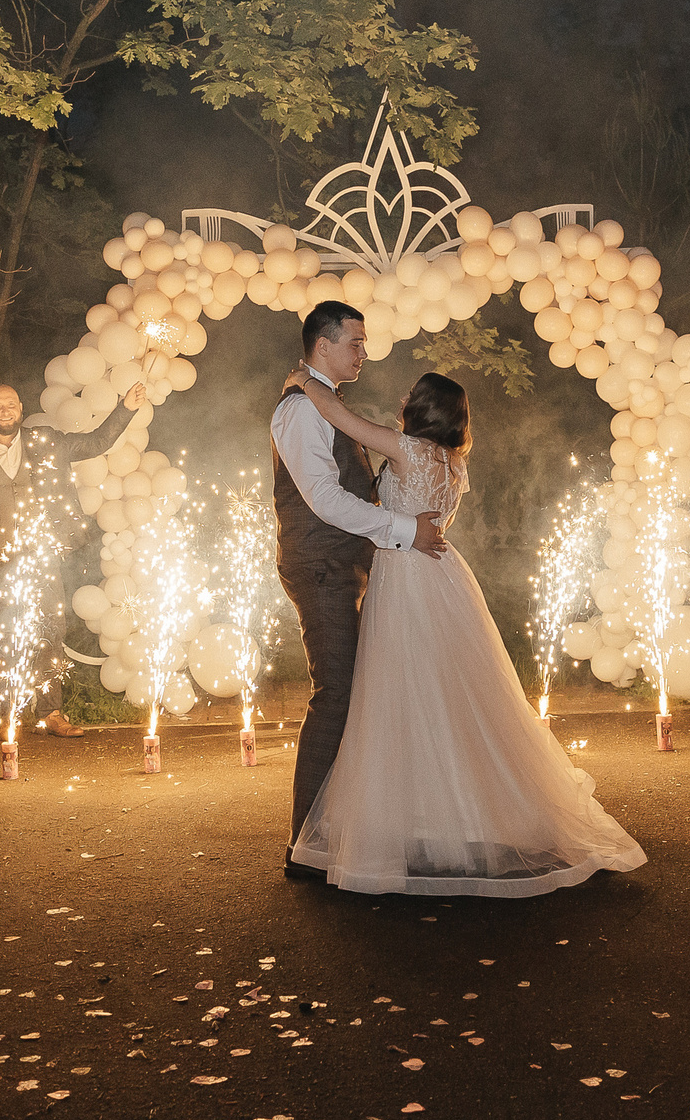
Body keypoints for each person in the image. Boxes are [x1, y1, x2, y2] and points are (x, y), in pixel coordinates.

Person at [284, 366, 647, 895]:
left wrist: (304, 381)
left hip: (407, 576)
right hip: (442, 574)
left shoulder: (408, 449)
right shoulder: (452, 461)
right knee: (450, 692)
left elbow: (340, 416)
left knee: (405, 691)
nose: (403, 396)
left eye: (412, 393)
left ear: (425, 408)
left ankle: (411, 819)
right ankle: (447, 813)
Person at [268, 301, 448, 873]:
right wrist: (405, 531)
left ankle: (340, 831)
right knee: (336, 695)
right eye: (356, 343)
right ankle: (305, 846)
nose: (364, 354)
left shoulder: (322, 402)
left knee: (352, 693)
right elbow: (325, 499)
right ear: (323, 345)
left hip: (342, 562)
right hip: (320, 564)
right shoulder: (300, 410)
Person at [0, 377, 144, 743]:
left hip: (41, 557)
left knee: (49, 634)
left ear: (21, 409)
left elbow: (96, 442)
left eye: (12, 404)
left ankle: (51, 712)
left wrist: (126, 407)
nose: (6, 411)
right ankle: (9, 714)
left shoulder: (45, 441)